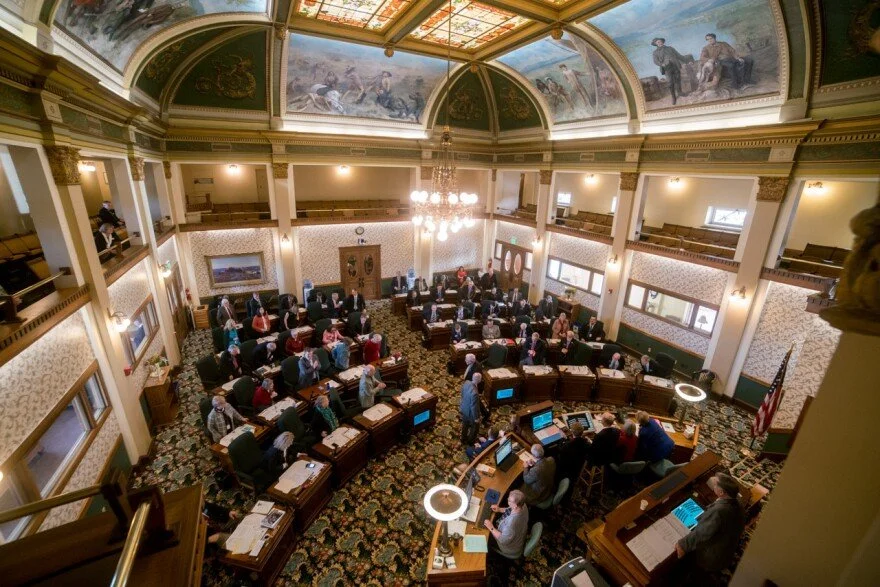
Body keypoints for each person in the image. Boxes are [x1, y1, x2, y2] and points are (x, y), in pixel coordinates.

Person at [675, 473, 746, 585]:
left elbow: (701, 533)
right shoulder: (737, 502)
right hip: (727, 552)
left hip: (711, 558)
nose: (712, 484)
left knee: (684, 563)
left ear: (722, 492)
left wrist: (682, 545)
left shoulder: (719, 511)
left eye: (715, 484)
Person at [484, 489, 529, 559]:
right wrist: (499, 509)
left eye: (509, 501)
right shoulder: (523, 505)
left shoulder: (511, 525)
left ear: (515, 505)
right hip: (516, 534)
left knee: (485, 537)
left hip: (509, 546)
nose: (507, 499)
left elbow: (503, 540)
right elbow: (511, 509)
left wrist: (491, 527)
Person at [651, 37, 690, 105]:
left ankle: (680, 92)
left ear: (662, 42)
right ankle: (673, 97)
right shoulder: (655, 52)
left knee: (677, 79)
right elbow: (655, 61)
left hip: (675, 65)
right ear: (656, 44)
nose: (660, 43)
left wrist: (688, 60)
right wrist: (662, 64)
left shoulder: (670, 48)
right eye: (658, 42)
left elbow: (679, 56)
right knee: (670, 83)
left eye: (660, 41)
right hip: (667, 68)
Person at [459, 373, 481, 445]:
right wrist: (476, 418)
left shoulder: (466, 382)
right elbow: (473, 407)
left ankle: (463, 438)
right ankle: (470, 442)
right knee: (475, 427)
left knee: (464, 425)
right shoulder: (475, 393)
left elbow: (462, 394)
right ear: (479, 380)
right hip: (470, 414)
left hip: (464, 409)